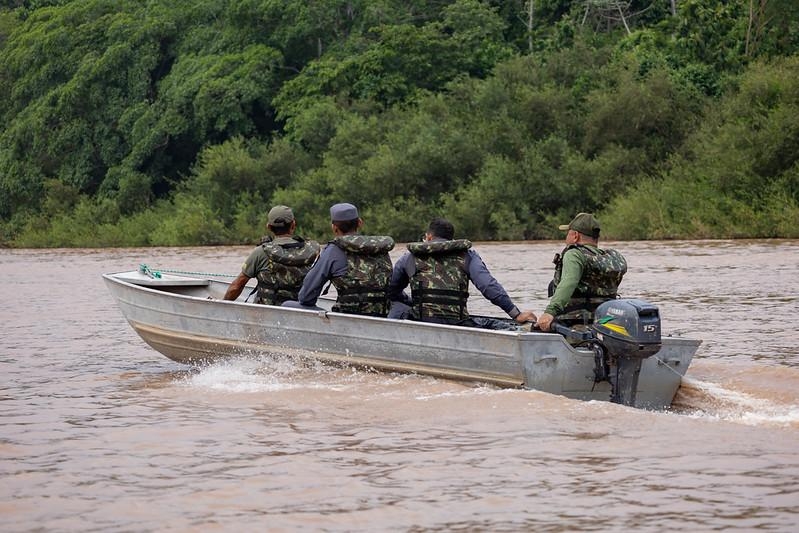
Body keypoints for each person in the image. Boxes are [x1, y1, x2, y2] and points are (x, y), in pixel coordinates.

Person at [388, 217, 536, 328]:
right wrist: (516, 314)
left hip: (421, 320)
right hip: (458, 322)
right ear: (451, 240)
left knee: (398, 306)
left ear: (429, 237)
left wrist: (410, 302)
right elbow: (488, 286)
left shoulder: (410, 257)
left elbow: (392, 289)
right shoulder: (467, 256)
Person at [282, 202, 395, 316]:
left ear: (334, 228)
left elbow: (306, 297)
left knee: (287, 305)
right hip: (383, 316)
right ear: (360, 223)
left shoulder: (333, 250)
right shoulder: (380, 248)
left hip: (347, 319)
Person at [535, 212, 627, 332]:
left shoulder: (574, 254)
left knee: (532, 328)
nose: (566, 237)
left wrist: (549, 312)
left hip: (573, 324)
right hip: (605, 323)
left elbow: (569, 282)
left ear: (575, 236)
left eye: (568, 233)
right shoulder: (611, 258)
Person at [223, 205, 320, 305]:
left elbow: (237, 286)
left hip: (267, 312)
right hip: (300, 309)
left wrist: (223, 305)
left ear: (269, 227)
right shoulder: (312, 251)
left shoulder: (261, 252)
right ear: (293, 225)